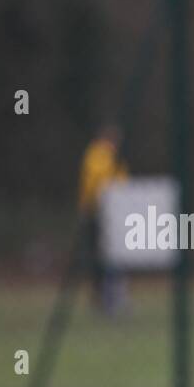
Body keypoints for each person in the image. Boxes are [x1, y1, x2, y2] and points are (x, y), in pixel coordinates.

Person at [77, 123, 130, 316]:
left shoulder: (109, 157)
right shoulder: (99, 156)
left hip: (112, 212)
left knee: (110, 257)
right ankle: (104, 298)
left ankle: (109, 297)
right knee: (104, 257)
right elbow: (97, 185)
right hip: (98, 213)